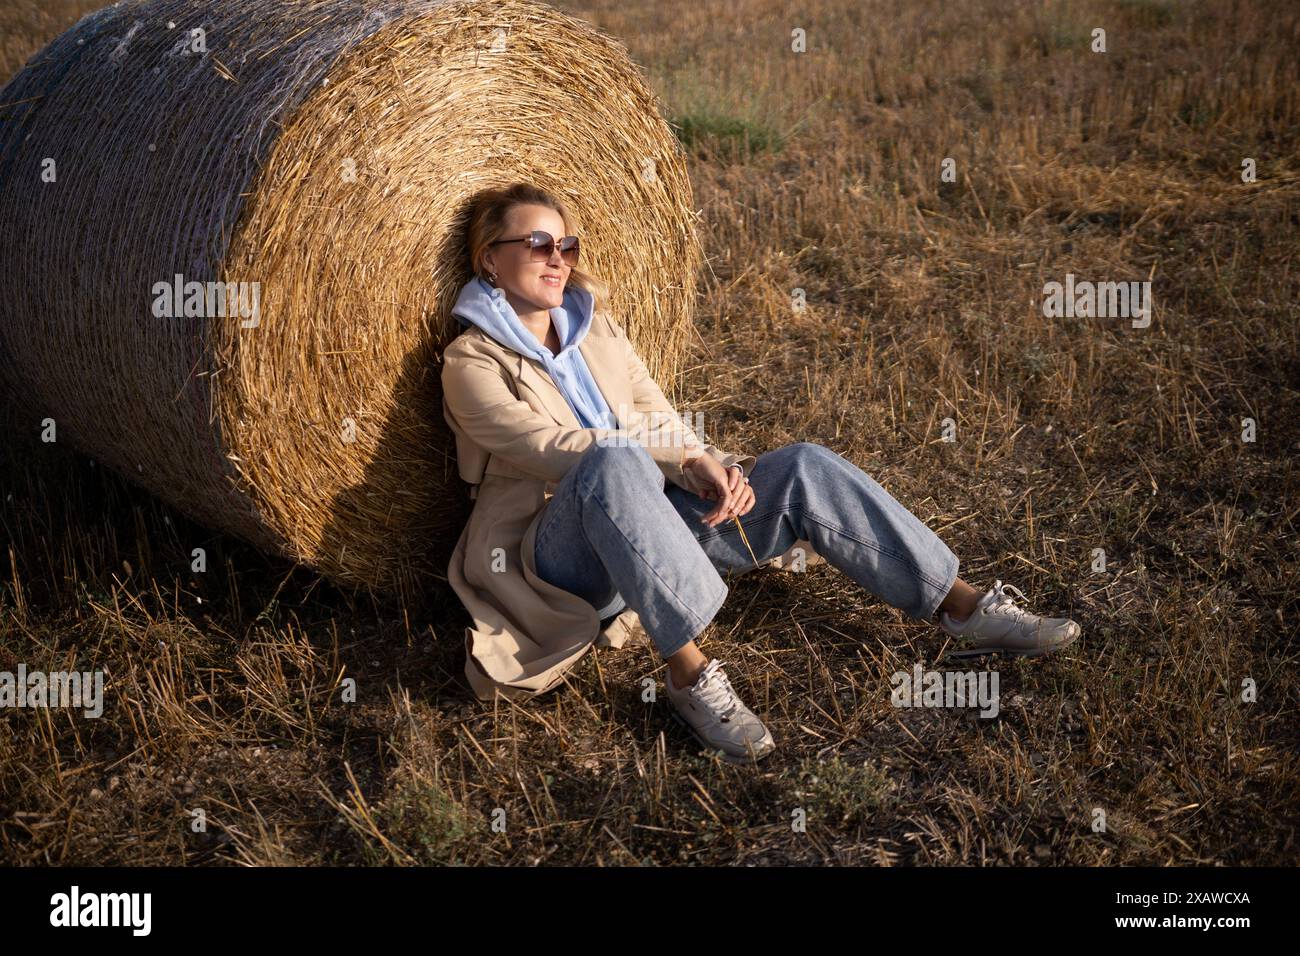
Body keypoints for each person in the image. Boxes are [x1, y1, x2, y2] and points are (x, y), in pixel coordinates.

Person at [440, 182, 1081, 763]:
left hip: (653, 523)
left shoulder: (595, 331)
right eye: (539, 243)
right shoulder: (471, 363)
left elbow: (659, 416)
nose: (559, 258)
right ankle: (690, 675)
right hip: (562, 558)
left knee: (801, 465)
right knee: (609, 459)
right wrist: (677, 462)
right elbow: (553, 447)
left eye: (568, 245)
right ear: (491, 260)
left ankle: (963, 605)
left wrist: (709, 466)